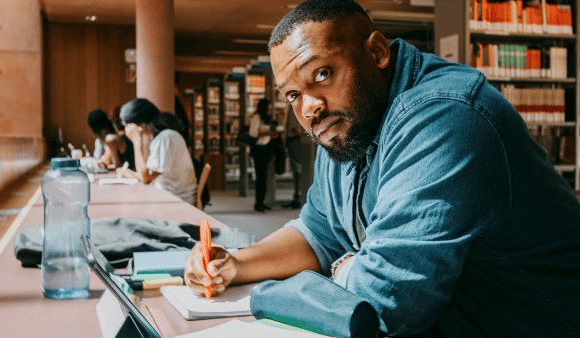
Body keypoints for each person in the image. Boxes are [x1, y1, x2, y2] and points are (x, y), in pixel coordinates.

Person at [184, 0, 580, 337]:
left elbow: (386, 301)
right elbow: (319, 232)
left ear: (376, 52)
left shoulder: (446, 117)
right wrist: (237, 264)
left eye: (322, 74)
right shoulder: (346, 126)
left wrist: (332, 271)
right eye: (292, 95)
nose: (309, 108)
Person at [118, 98, 197, 205]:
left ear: (140, 125)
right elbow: (148, 175)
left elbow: (145, 178)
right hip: (171, 196)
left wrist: (136, 140)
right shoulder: (165, 136)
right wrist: (131, 174)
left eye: (127, 125)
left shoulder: (165, 138)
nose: (127, 130)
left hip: (177, 201)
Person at [249, 98, 279, 212]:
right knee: (261, 176)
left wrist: (273, 134)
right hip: (259, 149)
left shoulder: (267, 119)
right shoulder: (257, 117)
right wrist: (268, 133)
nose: (270, 111)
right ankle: (258, 203)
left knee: (264, 176)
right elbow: (253, 133)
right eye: (268, 109)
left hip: (267, 147)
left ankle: (262, 201)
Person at [282, 105, 303, 209]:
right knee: (295, 170)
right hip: (290, 139)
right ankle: (296, 196)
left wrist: (300, 128)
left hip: (297, 139)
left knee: (300, 170)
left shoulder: (300, 102)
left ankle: (300, 197)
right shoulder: (289, 105)